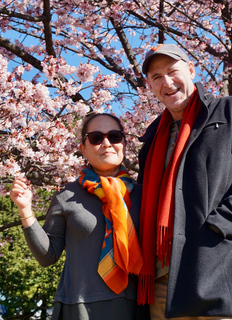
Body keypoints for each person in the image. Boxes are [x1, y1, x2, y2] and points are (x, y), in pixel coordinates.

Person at [136, 43, 232, 320]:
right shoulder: (152, 138)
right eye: (156, 77)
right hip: (164, 283)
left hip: (220, 273)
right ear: (150, 86)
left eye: (172, 71)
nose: (166, 82)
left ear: (190, 70)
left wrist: (217, 229)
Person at [10, 113, 146, 320]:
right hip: (79, 307)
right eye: (96, 138)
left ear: (124, 144)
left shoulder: (144, 196)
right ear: (83, 148)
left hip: (134, 308)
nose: (106, 143)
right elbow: (47, 257)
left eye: (115, 136)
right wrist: (25, 210)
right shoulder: (66, 194)